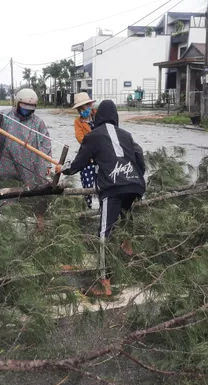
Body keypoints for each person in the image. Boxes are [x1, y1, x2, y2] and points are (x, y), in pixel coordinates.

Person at [57, 100, 145, 296]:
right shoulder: (127, 135)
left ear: (98, 116)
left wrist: (62, 170)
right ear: (115, 117)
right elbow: (139, 157)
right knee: (126, 216)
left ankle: (105, 283)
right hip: (134, 185)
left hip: (112, 187)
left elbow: (79, 163)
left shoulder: (93, 136)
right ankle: (127, 247)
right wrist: (135, 176)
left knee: (103, 235)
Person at [0, 88, 52, 227]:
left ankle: (40, 227)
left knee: (36, 194)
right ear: (17, 103)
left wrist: (47, 164)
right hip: (3, 162)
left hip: (29, 166)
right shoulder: (3, 116)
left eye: (30, 109)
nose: (26, 111)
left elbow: (46, 142)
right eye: (24, 108)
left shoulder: (38, 123)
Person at [72, 92, 98, 209]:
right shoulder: (78, 122)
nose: (84, 110)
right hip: (88, 156)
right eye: (81, 109)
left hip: (102, 155)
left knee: (103, 183)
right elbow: (80, 138)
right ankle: (87, 207)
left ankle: (103, 207)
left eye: (86, 107)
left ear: (90, 105)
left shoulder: (98, 116)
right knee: (87, 185)